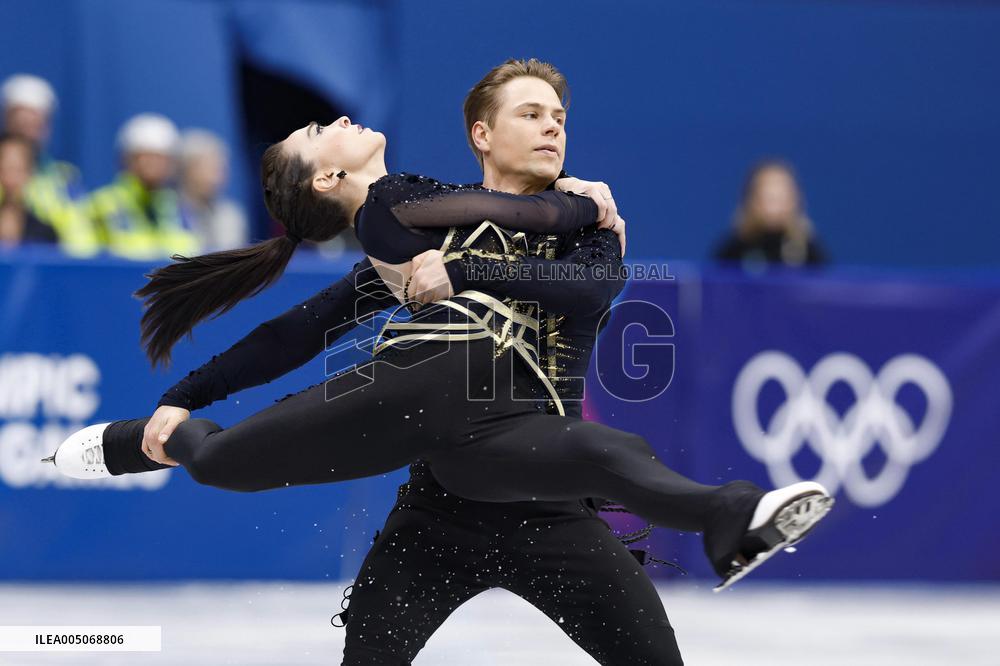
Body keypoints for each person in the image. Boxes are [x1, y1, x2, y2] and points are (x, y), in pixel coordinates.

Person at [48, 98, 831, 601]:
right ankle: (138, 440)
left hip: (484, 414)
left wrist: (585, 227)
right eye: (322, 133)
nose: (339, 121)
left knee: (602, 447)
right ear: (327, 177)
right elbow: (295, 333)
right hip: (424, 386)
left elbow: (292, 333)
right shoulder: (392, 207)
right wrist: (583, 207)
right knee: (219, 461)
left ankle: (734, 516)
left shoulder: (408, 228)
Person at [1, 74, 98, 256]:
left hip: (54, 268)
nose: (28, 130)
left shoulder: (65, 176)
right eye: (21, 121)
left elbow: (82, 239)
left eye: (35, 123)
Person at [85, 113, 200, 260]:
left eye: (162, 158)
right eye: (147, 156)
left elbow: (191, 253)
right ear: (127, 159)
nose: (155, 165)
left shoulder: (178, 208)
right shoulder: (102, 204)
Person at [714, 159, 828, 267]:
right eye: (767, 197)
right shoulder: (733, 251)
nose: (773, 206)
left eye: (780, 197)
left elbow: (827, 284)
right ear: (751, 200)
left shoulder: (810, 253)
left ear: (794, 200)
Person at [177, 129, 249, 251]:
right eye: (210, 168)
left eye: (221, 169)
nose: (217, 177)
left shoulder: (232, 215)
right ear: (188, 169)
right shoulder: (169, 210)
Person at [0, 132, 58, 246]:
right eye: (3, 169)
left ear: (31, 173)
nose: (10, 179)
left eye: (18, 170)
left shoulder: (45, 233)